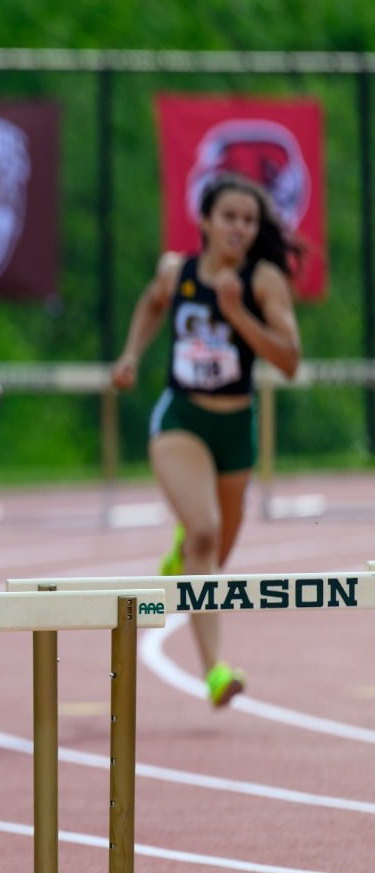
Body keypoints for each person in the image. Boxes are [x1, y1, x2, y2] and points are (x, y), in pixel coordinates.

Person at [111, 173, 301, 708]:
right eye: (229, 217)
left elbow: (289, 361)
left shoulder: (263, 281)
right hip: (183, 420)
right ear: (205, 222)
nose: (239, 227)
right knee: (205, 532)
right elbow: (151, 304)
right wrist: (131, 354)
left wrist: (238, 312)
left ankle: (183, 551)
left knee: (214, 555)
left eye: (249, 220)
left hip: (236, 428)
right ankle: (215, 669)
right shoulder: (178, 271)